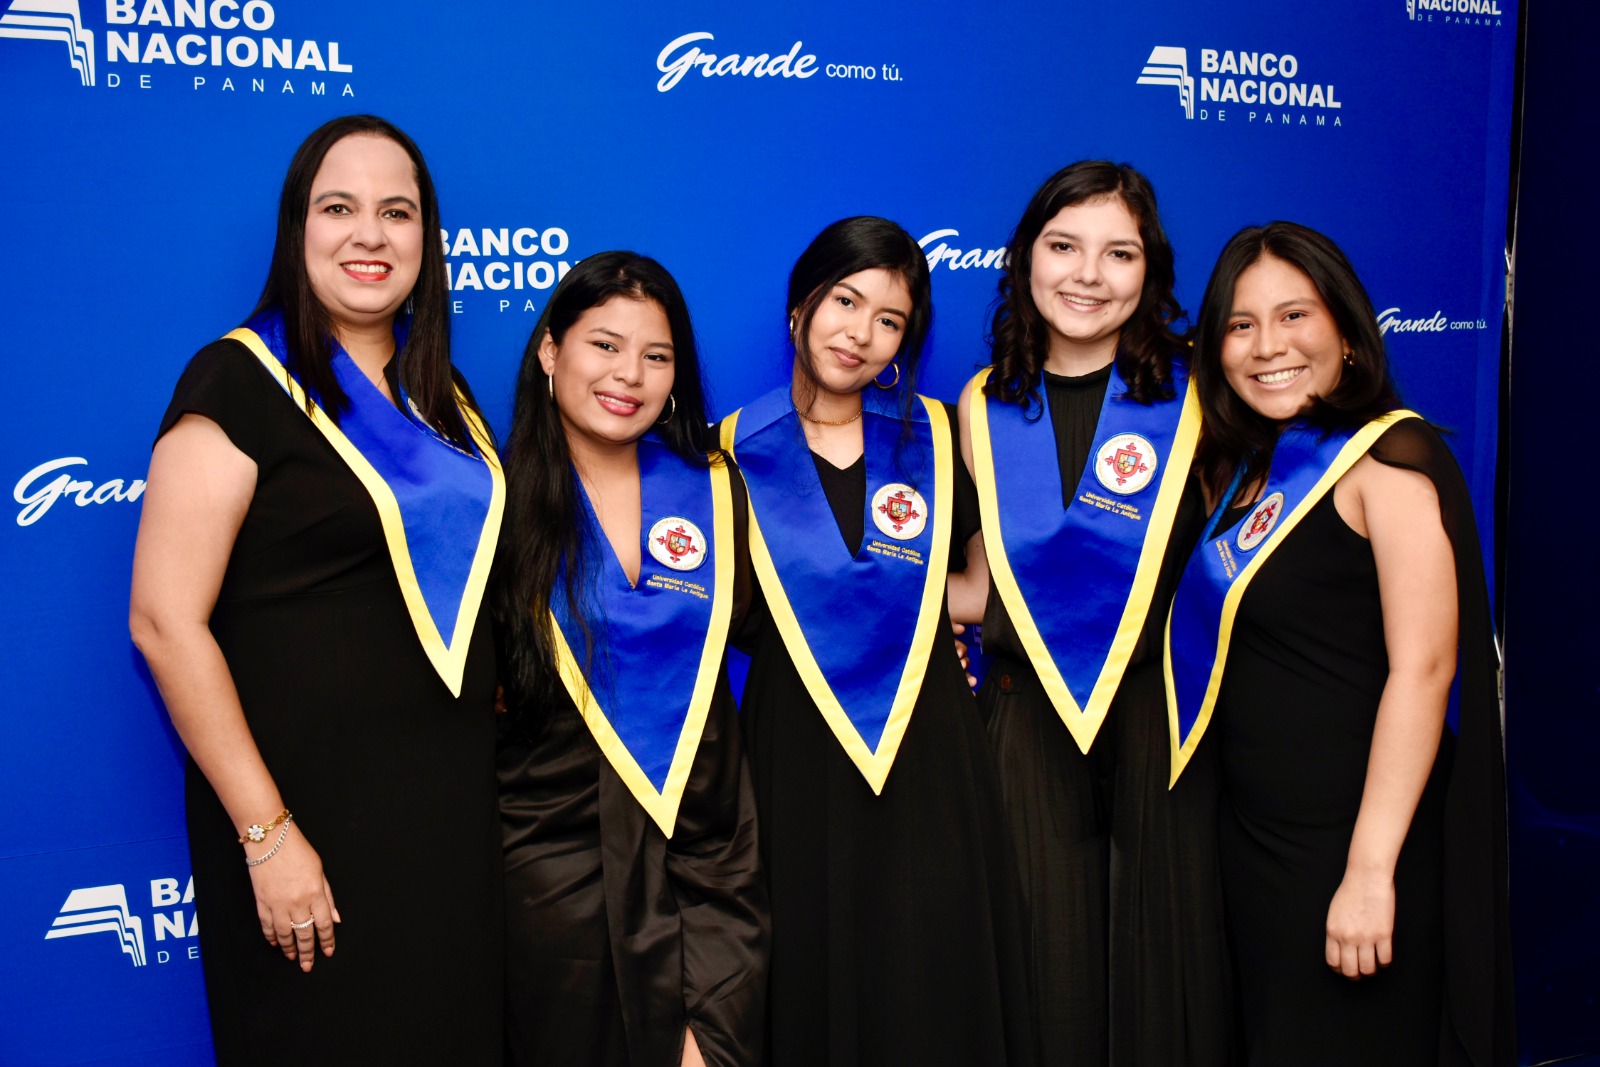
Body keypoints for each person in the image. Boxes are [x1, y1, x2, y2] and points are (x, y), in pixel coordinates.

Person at [129, 115, 503, 1064]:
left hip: (448, 820)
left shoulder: (445, 394)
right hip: (306, 824)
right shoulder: (237, 378)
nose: (369, 235)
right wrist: (267, 835)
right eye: (339, 208)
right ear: (298, 225)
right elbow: (165, 621)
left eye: (397, 212)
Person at [1168, 221, 1514, 1065]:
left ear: (1348, 333)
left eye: (1295, 316)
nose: (1268, 346)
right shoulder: (1239, 472)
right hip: (1257, 844)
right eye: (1241, 324)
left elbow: (1424, 669)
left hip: (1356, 844)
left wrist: (1369, 871)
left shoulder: (1388, 458)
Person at [721, 216, 1036, 1067]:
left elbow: (979, 588)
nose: (860, 332)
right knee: (811, 955)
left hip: (926, 735)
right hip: (796, 739)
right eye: (844, 301)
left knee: (929, 960)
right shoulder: (730, 453)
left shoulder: (936, 435)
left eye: (888, 319)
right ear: (800, 307)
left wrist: (915, 612)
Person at [951, 161, 1230, 1066]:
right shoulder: (982, 404)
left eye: (1119, 253)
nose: (1088, 275)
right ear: (1026, 258)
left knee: (1167, 969)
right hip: (1026, 718)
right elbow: (986, 583)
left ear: (1151, 270)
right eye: (1064, 246)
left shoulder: (1204, 397)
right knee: (1043, 971)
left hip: (1163, 716)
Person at [493, 252, 767, 1067]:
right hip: (555, 863)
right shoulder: (492, 503)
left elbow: (785, 631)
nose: (629, 375)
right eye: (605, 345)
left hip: (705, 850)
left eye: (656, 355)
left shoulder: (714, 491)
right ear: (551, 350)